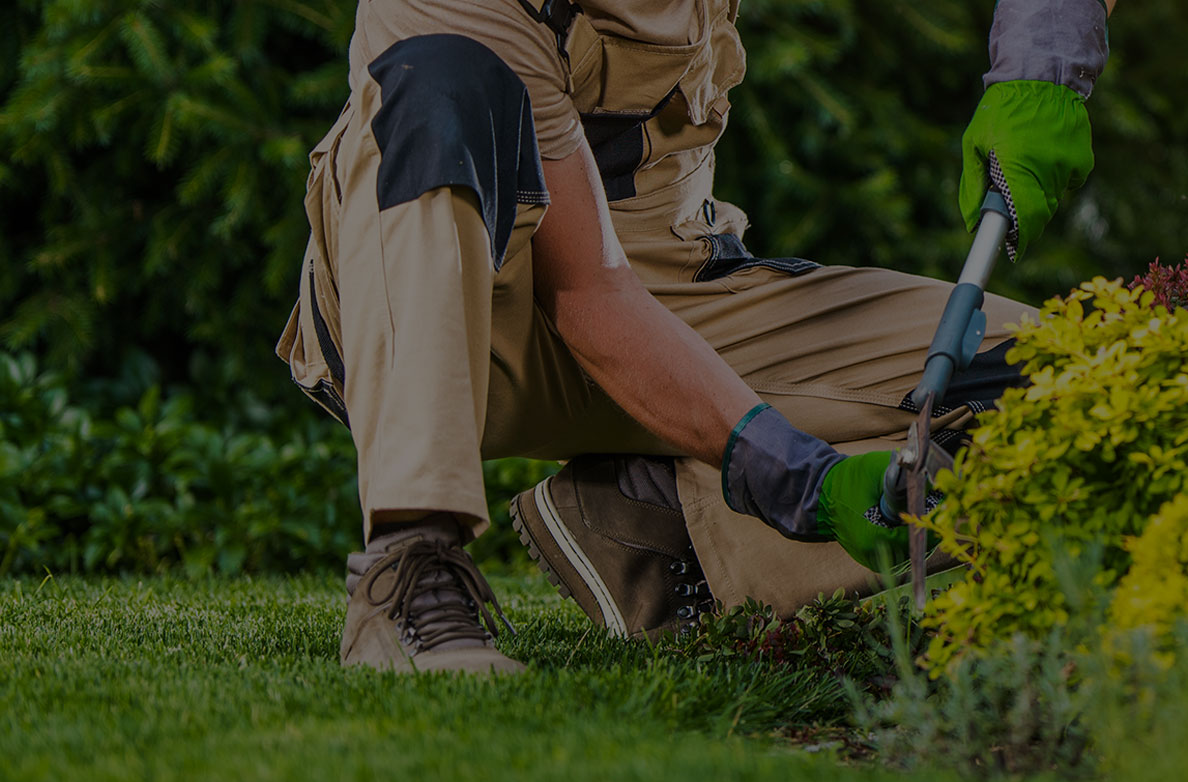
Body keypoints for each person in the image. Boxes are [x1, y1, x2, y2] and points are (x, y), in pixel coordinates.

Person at [276, 0, 1113, 673]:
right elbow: (586, 296)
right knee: (441, 86)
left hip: (673, 282)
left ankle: (657, 523)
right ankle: (410, 569)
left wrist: (1043, 61)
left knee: (1051, 378)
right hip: (456, 308)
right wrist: (803, 478)